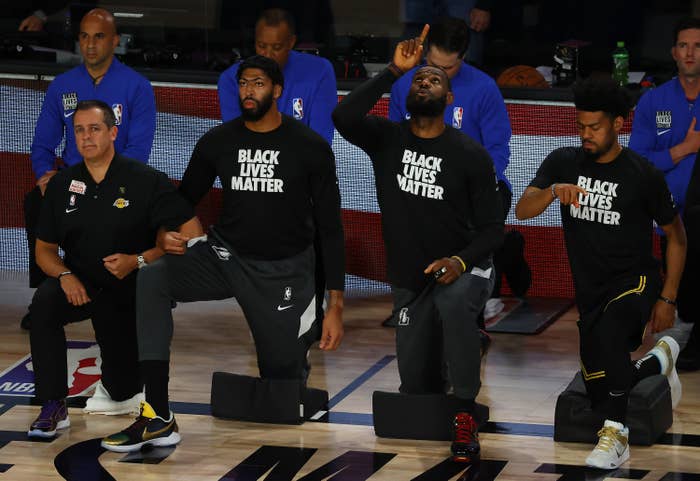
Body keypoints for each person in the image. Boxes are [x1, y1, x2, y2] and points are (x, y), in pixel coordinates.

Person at [101, 55, 346, 453]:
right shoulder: (218, 141)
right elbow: (181, 200)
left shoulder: (310, 147)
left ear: (277, 91)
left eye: (258, 83)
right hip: (225, 256)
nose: (249, 90)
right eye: (244, 83)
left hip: (283, 273)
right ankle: (157, 414)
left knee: (281, 390)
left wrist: (335, 303)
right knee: (154, 277)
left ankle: (293, 355)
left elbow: (332, 229)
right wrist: (165, 232)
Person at [333, 25, 504, 463]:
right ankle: (456, 351)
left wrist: (461, 262)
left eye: (435, 80)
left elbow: (492, 231)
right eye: (419, 78)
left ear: (449, 100)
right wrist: (393, 69)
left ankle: (466, 415)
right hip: (411, 279)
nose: (424, 81)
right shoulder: (388, 139)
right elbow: (343, 117)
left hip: (465, 267)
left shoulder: (470, 154)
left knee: (454, 303)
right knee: (417, 388)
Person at [515, 77, 686, 469]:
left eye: (595, 127)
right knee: (601, 387)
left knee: (612, 336)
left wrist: (667, 298)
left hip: (636, 283)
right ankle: (657, 363)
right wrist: (554, 190)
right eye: (580, 126)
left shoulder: (643, 174)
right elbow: (524, 210)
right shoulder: (563, 161)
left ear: (618, 125)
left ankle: (617, 436)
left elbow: (677, 238)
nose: (586, 134)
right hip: (590, 292)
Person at [26, 100, 193, 438]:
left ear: (113, 132)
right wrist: (64, 275)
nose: (86, 137)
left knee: (123, 389)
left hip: (130, 291)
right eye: (79, 131)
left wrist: (140, 259)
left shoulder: (146, 180)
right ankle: (53, 404)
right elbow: (43, 250)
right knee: (44, 303)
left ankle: (129, 390)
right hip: (81, 285)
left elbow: (190, 234)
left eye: (94, 129)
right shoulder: (61, 186)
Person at [389, 16, 527, 331]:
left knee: (466, 261)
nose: (435, 74)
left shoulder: (484, 88)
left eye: (447, 68)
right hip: (425, 185)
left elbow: (499, 150)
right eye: (431, 64)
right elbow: (394, 143)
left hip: (476, 192)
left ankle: (492, 270)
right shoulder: (404, 85)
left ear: (463, 58)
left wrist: (470, 186)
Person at [23, 8, 156, 331]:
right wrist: (45, 176)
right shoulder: (62, 86)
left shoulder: (136, 86)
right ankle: (49, 289)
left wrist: (109, 180)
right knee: (36, 202)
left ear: (114, 41)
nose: (90, 44)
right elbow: (42, 143)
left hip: (121, 181)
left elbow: (139, 150)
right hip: (74, 182)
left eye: (99, 37)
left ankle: (139, 292)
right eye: (84, 36)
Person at [629, 17, 700, 371]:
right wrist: (684, 148)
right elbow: (638, 161)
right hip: (667, 213)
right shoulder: (654, 100)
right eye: (684, 45)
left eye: (698, 46)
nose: (690, 52)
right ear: (673, 53)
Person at [217, 8, 337, 144]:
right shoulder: (232, 79)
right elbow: (237, 141)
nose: (268, 55)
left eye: (277, 47)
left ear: (291, 43)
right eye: (261, 46)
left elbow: (320, 142)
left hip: (302, 161)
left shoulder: (319, 71)